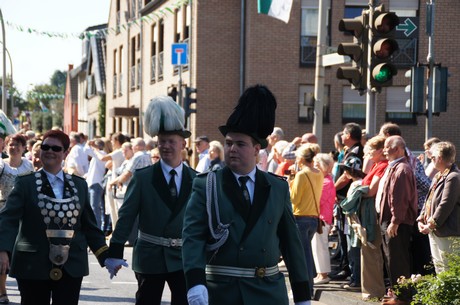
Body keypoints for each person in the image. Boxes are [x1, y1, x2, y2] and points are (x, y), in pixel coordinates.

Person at [182, 84, 312, 305]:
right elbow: (192, 237)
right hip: (222, 292)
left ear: (256, 149)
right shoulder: (207, 185)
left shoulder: (277, 187)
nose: (232, 148)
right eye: (228, 143)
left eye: (240, 144)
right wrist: (195, 282)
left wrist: (302, 294)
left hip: (267, 292)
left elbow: (291, 244)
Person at [0, 130, 109, 305]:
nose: (49, 151)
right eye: (45, 146)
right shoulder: (25, 183)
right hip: (32, 264)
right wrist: (3, 250)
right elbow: (8, 218)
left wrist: (106, 256)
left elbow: (89, 225)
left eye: (56, 148)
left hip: (72, 264)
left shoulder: (79, 185)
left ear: (65, 153)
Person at [106, 96, 197, 305]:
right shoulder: (143, 177)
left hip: (183, 258)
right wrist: (115, 250)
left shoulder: (196, 179)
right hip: (150, 257)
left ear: (183, 144)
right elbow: (127, 216)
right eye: (161, 141)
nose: (165, 146)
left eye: (171, 141)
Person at [378, 136, 417, 305]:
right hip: (390, 220)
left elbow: (399, 198)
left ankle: (402, 297)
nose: (384, 150)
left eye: (387, 147)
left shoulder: (401, 169)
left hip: (396, 223)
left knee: (397, 259)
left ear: (398, 149)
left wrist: (395, 221)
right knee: (391, 259)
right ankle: (397, 293)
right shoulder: (395, 167)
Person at [0, 133, 34, 304]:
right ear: (6, 147)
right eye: (11, 144)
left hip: (24, 214)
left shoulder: (28, 167)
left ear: (24, 147)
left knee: (21, 253)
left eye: (18, 144)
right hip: (3, 210)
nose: (14, 147)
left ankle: (25, 291)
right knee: (3, 252)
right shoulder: (1, 166)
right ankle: (2, 290)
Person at [417, 141, 460, 273]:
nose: (432, 159)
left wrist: (431, 224)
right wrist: (421, 218)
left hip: (447, 231)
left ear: (440, 158)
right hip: (435, 230)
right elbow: (428, 199)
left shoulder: (453, 177)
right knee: (440, 269)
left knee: (448, 271)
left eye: (433, 157)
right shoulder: (439, 175)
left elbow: (446, 204)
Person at [290, 143, 323, 294]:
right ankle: (307, 287)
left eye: (297, 156)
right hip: (313, 219)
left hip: (300, 217)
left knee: (302, 256)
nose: (296, 159)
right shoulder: (319, 173)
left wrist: (290, 183)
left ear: (302, 158)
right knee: (306, 253)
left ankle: (305, 289)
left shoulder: (302, 174)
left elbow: (294, 199)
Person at [359, 136, 387, 300]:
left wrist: (357, 186)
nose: (367, 154)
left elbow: (370, 191)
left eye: (370, 150)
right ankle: (370, 291)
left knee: (371, 251)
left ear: (379, 151)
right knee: (369, 251)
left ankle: (373, 292)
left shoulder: (382, 166)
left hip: (373, 215)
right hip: (369, 213)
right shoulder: (377, 165)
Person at [312, 153, 336, 285]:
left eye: (317, 165)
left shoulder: (326, 182)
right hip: (320, 217)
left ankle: (323, 274)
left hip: (322, 218)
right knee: (317, 247)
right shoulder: (324, 180)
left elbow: (318, 200)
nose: (314, 167)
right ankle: (320, 273)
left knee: (320, 247)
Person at [85, 138, 107, 230]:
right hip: (92, 183)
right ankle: (96, 227)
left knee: (95, 208)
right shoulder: (97, 155)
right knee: (93, 208)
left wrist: (89, 144)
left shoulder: (102, 153)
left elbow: (86, 150)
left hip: (96, 184)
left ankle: (97, 229)